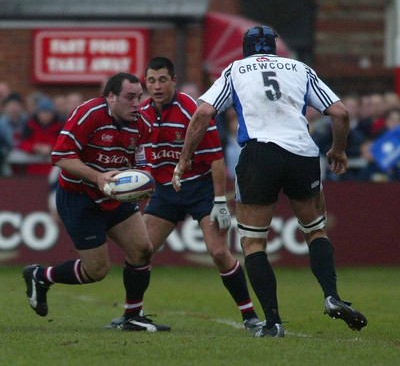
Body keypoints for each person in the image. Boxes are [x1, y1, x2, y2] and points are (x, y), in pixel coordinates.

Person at [172, 26, 368, 337]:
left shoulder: (235, 69)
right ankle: (332, 296)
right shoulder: (300, 68)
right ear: (274, 48)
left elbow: (202, 113)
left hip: (259, 154)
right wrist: (338, 151)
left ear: (245, 48)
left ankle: (273, 322)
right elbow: (341, 114)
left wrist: (184, 158)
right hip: (302, 154)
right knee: (315, 231)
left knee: (252, 242)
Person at [107, 57, 262, 335]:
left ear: (173, 81)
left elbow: (216, 160)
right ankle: (132, 315)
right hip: (165, 191)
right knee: (139, 250)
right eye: (151, 81)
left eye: (162, 80)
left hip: (200, 189)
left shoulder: (193, 110)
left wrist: (219, 203)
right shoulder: (140, 113)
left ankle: (250, 316)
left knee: (218, 252)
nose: (156, 86)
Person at [22, 72, 170, 332]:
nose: (137, 103)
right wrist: (98, 177)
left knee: (142, 249)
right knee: (97, 270)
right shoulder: (89, 114)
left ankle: (132, 315)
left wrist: (144, 179)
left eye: (139, 97)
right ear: (111, 97)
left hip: (113, 195)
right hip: (79, 197)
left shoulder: (143, 123)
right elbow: (60, 156)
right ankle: (41, 275)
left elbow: (142, 161)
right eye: (129, 97)